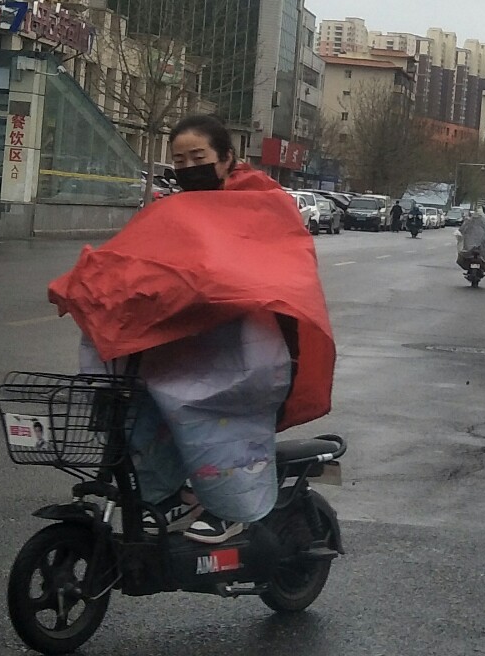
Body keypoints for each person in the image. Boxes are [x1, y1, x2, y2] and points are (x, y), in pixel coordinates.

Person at [51, 113, 336, 546]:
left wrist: (201, 287)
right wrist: (90, 284)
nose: (188, 168)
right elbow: (136, 260)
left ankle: (230, 512)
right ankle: (168, 496)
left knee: (214, 412)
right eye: (180, 160)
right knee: (135, 398)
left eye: (198, 158)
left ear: (226, 158)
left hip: (247, 345)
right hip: (193, 343)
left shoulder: (262, 205)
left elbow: (270, 271)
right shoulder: (173, 211)